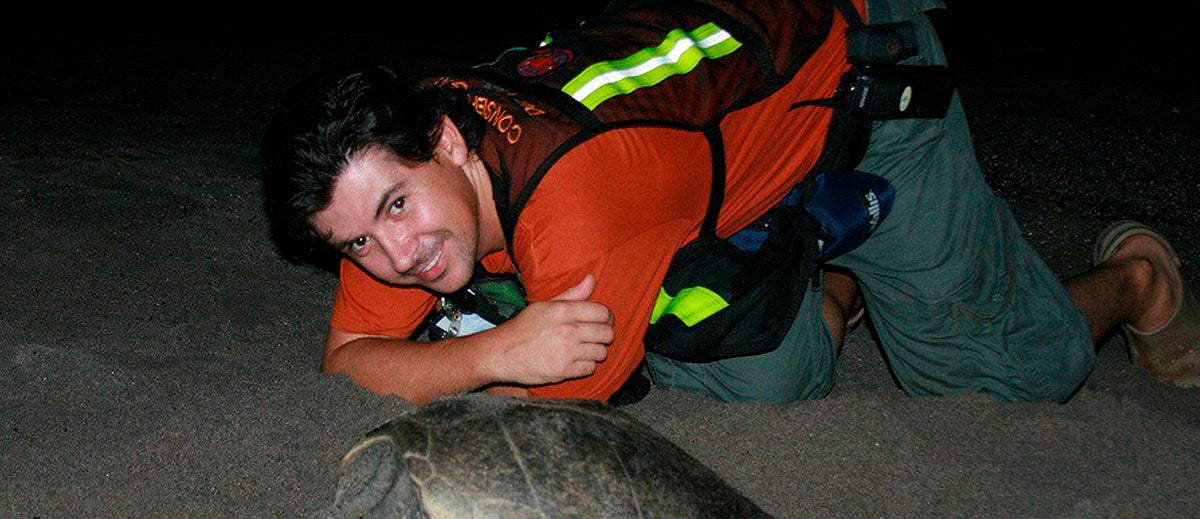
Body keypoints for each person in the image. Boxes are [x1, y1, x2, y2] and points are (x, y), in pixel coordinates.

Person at [261, 0, 1198, 406]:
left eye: (394, 208)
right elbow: (347, 361)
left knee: (1006, 385)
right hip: (709, 152)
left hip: (864, 91)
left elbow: (549, 398)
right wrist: (498, 351)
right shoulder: (400, 148)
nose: (398, 257)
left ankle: (1141, 277)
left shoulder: (573, 197)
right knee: (760, 378)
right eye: (355, 245)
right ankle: (820, 269)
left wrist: (491, 358)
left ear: (451, 142)